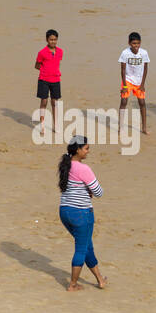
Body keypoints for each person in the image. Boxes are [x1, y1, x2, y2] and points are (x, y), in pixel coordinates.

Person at [58, 137, 106, 292]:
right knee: (81, 248)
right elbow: (99, 192)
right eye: (86, 148)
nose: (88, 151)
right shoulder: (83, 169)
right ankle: (72, 284)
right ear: (77, 150)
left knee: (86, 246)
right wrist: (89, 190)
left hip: (65, 211)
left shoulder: (65, 165)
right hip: (81, 213)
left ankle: (100, 279)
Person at [118, 32, 149, 136]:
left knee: (142, 102)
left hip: (139, 81)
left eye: (138, 43)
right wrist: (125, 86)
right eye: (134, 43)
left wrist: (142, 84)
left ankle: (144, 127)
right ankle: (121, 127)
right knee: (123, 101)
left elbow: (145, 69)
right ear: (129, 43)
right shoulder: (125, 53)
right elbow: (122, 70)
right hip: (128, 80)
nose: (136, 46)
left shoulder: (144, 53)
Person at [35, 29, 63, 134]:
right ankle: (42, 125)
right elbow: (37, 65)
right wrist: (45, 71)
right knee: (44, 101)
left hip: (56, 80)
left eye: (55, 39)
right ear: (47, 40)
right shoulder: (42, 53)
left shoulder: (60, 51)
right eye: (51, 39)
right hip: (44, 80)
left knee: (55, 103)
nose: (53, 42)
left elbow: (57, 63)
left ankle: (55, 125)